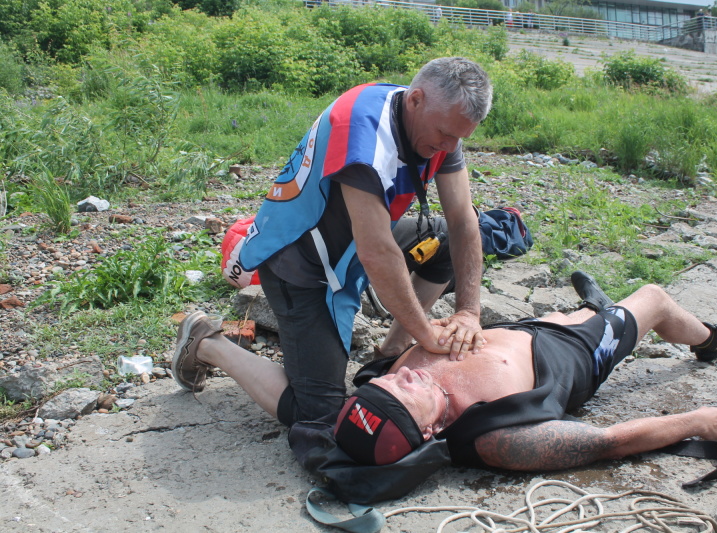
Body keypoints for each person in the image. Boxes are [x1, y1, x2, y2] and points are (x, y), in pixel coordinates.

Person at [173, 57, 493, 427]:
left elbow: (462, 220)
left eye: (459, 138)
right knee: (319, 413)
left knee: (441, 242)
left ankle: (392, 348)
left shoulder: (440, 123)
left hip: (354, 241)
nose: (448, 146)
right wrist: (427, 332)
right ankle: (207, 341)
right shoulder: (362, 132)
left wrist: (469, 312)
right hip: (302, 261)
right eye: (443, 134)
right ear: (415, 99)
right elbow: (377, 252)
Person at [332, 272, 717, 470]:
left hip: (523, 332)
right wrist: (695, 421)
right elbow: (610, 441)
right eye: (403, 389)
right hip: (577, 354)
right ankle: (710, 341)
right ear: (427, 432)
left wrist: (447, 324)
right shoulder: (495, 439)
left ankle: (590, 308)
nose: (402, 376)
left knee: (558, 313)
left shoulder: (380, 386)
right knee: (654, 299)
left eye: (387, 380)